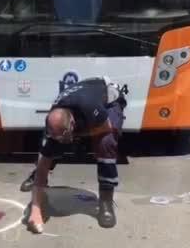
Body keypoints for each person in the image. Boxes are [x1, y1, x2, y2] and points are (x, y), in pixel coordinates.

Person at [24, 76, 127, 233]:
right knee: (50, 149)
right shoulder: (53, 120)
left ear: (72, 124)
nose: (62, 140)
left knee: (106, 142)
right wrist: (35, 211)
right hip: (77, 108)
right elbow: (45, 155)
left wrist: (79, 135)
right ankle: (38, 177)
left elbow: (106, 126)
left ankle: (106, 201)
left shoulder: (89, 105)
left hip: (109, 99)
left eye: (65, 134)